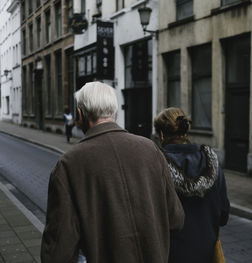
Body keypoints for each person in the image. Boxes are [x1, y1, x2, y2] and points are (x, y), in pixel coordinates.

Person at [41, 82, 185, 263]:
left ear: (80, 114)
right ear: (115, 113)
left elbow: (59, 248)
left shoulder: (68, 164)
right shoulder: (151, 149)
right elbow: (176, 219)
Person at [153, 107, 230, 263]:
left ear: (161, 134)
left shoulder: (156, 166)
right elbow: (223, 215)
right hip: (206, 253)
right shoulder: (212, 164)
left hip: (171, 254)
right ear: (185, 131)